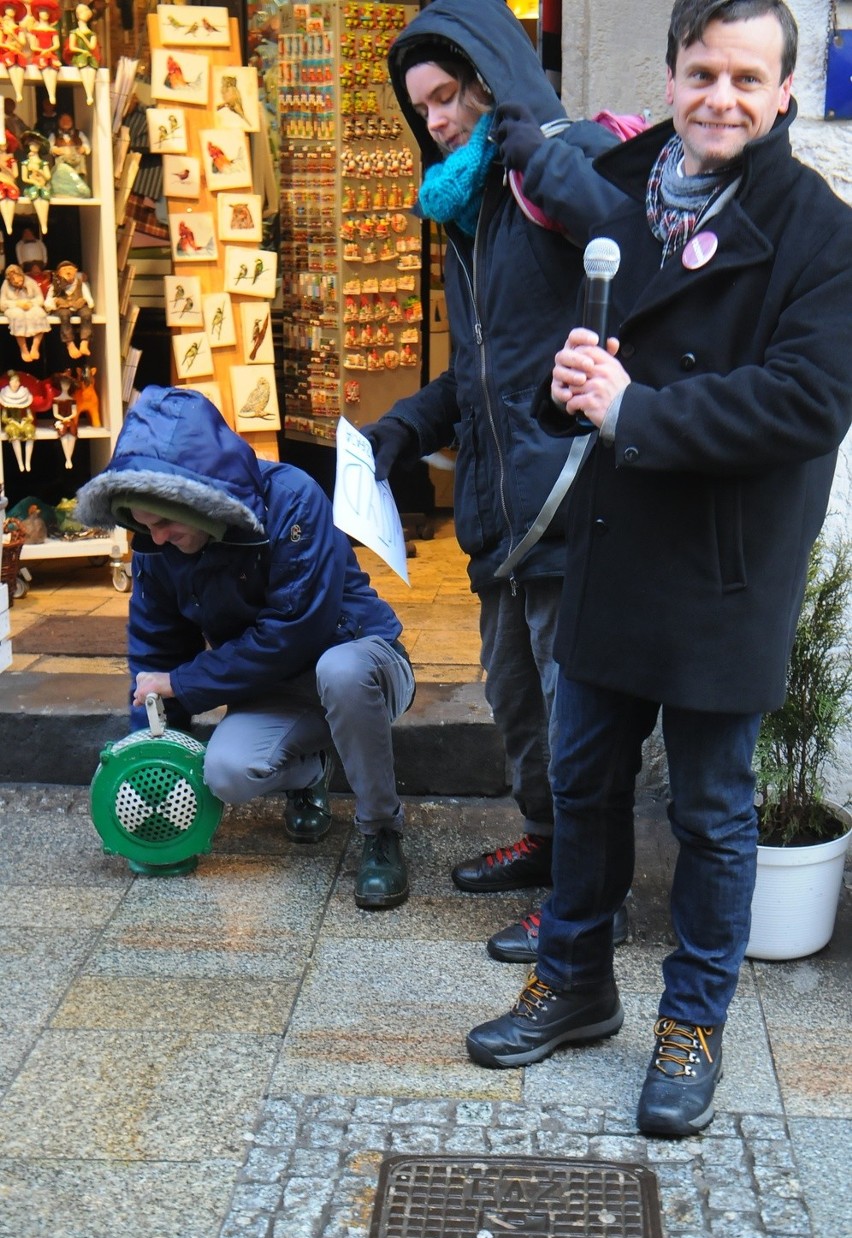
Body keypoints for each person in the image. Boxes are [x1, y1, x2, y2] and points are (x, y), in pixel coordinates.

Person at [465, 0, 852, 1139]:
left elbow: (808, 400)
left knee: (713, 811)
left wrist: (641, 408)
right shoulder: (623, 186)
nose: (720, 97)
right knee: (583, 782)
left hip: (725, 564)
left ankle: (693, 1020)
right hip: (613, 538)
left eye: (747, 77)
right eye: (701, 72)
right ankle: (576, 981)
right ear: (671, 75)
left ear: (784, 91)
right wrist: (568, 379)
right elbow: (573, 345)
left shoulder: (821, 230)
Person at [364, 0, 626, 950]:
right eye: (420, 108)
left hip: (567, 498)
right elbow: (484, 363)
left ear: (491, 80)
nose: (435, 121)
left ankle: (589, 896)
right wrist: (406, 425)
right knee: (517, 699)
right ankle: (551, 843)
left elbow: (636, 249)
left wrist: (541, 154)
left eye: (447, 96)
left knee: (574, 715)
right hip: (501, 513)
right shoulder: (472, 208)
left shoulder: (564, 162)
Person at [74, 386, 416, 910]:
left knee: (340, 671)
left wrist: (186, 684)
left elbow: (295, 629)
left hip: (363, 664)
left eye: (164, 521)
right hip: (274, 688)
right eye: (142, 524)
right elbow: (155, 655)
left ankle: (381, 832)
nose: (156, 537)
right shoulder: (156, 544)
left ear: (198, 499)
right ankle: (308, 772)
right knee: (225, 773)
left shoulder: (294, 497)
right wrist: (147, 764)